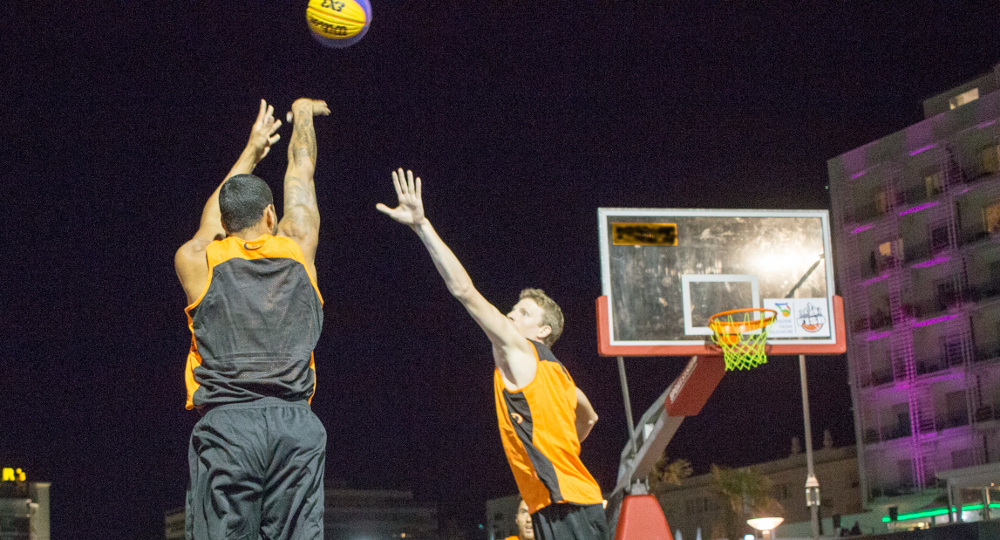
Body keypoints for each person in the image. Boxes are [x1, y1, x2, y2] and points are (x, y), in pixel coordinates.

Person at [378, 169, 607, 540]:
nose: (512, 315)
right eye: (513, 309)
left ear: (543, 331)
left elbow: (464, 291)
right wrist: (562, 454)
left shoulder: (519, 349)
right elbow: (590, 416)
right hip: (575, 500)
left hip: (564, 504)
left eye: (524, 313)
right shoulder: (562, 377)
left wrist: (422, 226)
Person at [174, 98, 330, 540]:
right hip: (294, 428)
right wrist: (303, 112)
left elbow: (211, 220)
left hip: (229, 427)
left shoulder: (200, 259)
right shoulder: (298, 245)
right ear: (270, 215)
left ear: (224, 224)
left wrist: (251, 151)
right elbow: (301, 172)